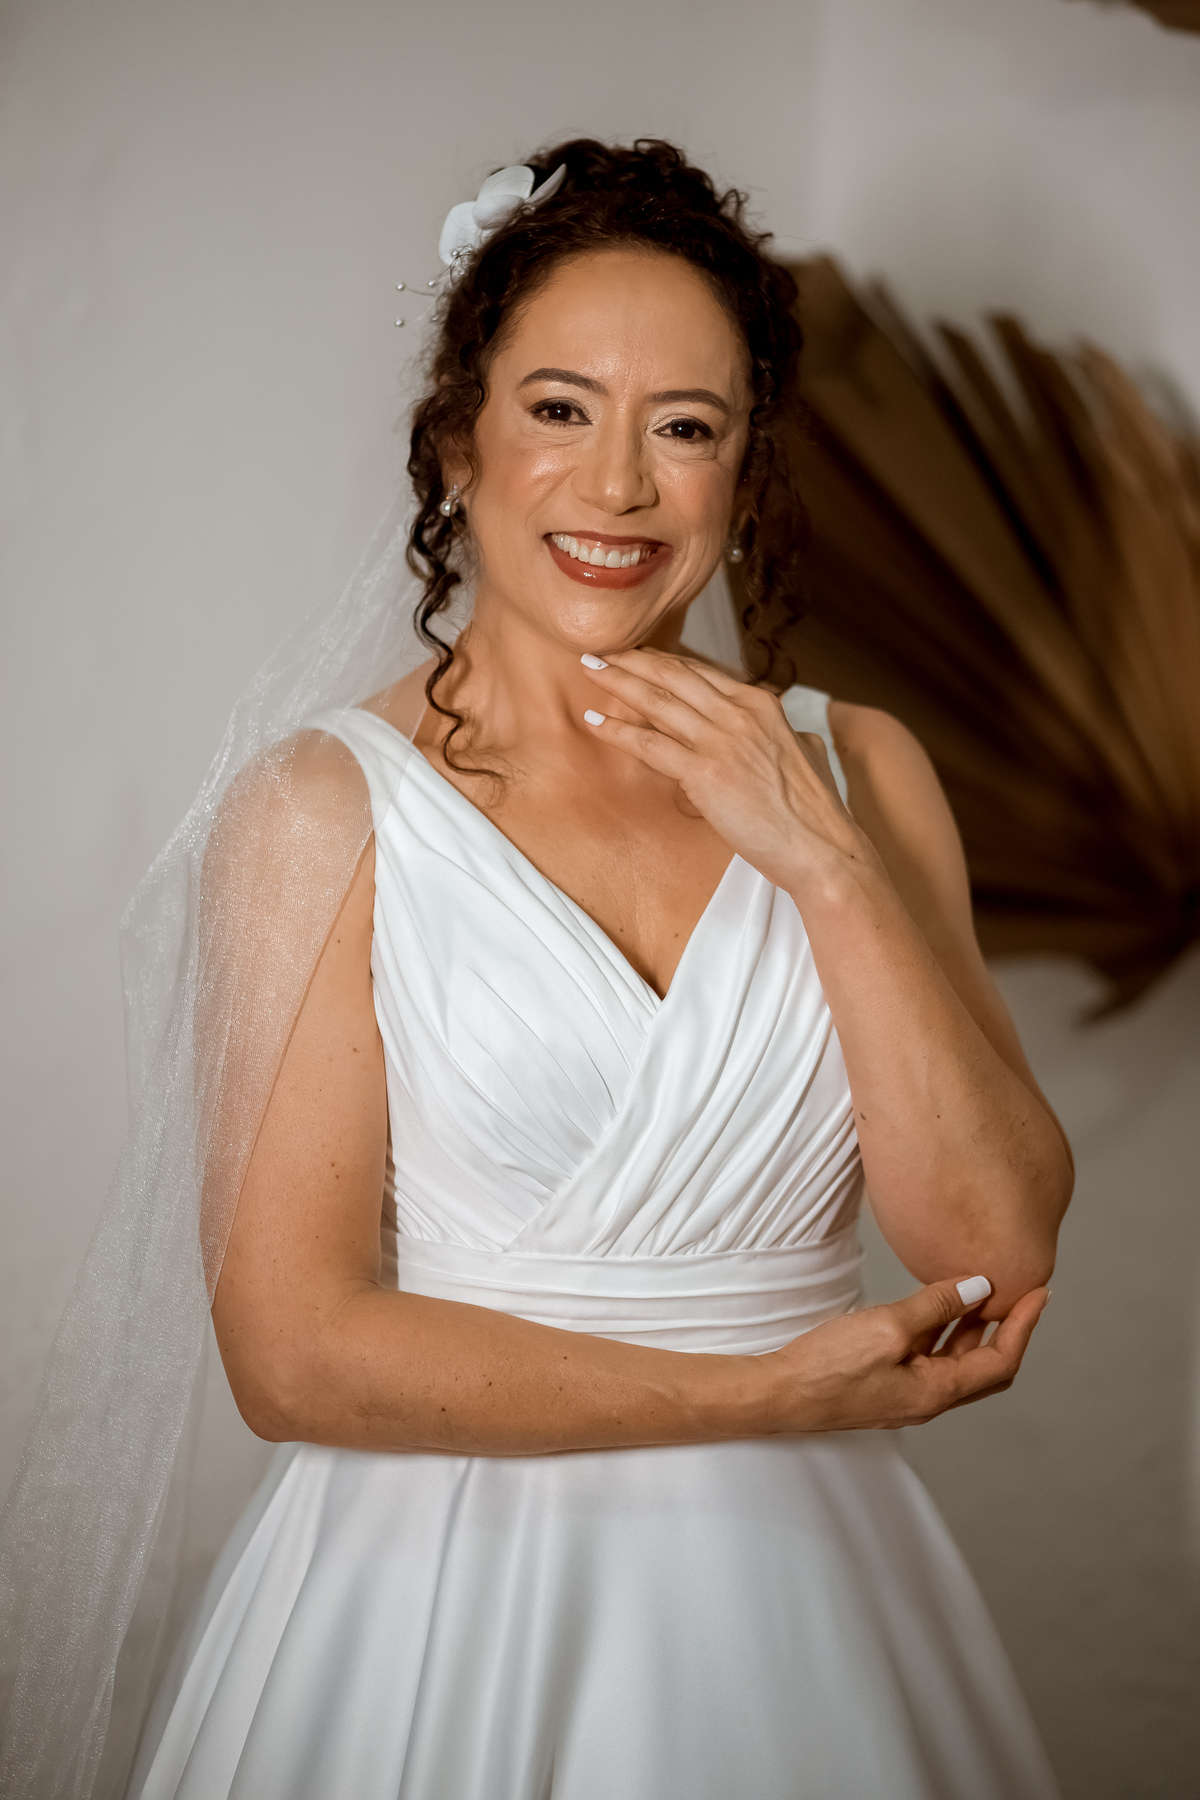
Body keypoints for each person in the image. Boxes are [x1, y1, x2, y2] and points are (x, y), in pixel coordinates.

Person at [1, 140, 1073, 1800]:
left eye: (687, 428)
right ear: (460, 439)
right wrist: (757, 1396)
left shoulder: (864, 773)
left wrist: (827, 866)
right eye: (561, 408)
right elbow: (289, 1354)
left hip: (808, 1601)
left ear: (744, 472)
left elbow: (993, 1252)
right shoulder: (321, 814)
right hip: (439, 1597)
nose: (620, 485)